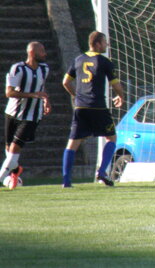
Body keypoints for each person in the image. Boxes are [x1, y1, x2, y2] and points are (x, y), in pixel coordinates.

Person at [62, 31, 124, 188]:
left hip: (81, 107)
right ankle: (102, 171)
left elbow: (65, 82)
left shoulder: (78, 59)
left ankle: (66, 182)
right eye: (104, 42)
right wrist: (121, 96)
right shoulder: (104, 61)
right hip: (98, 107)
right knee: (111, 138)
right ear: (97, 44)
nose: (106, 45)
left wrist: (76, 95)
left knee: (72, 144)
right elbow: (115, 84)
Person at [0, 42, 52, 189]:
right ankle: (15, 171)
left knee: (14, 149)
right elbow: (9, 93)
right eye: (42, 51)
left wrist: (46, 100)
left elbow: (41, 87)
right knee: (9, 149)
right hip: (12, 114)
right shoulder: (18, 68)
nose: (45, 54)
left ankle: (3, 178)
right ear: (32, 53)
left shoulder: (44, 69)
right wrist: (33, 95)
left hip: (32, 116)